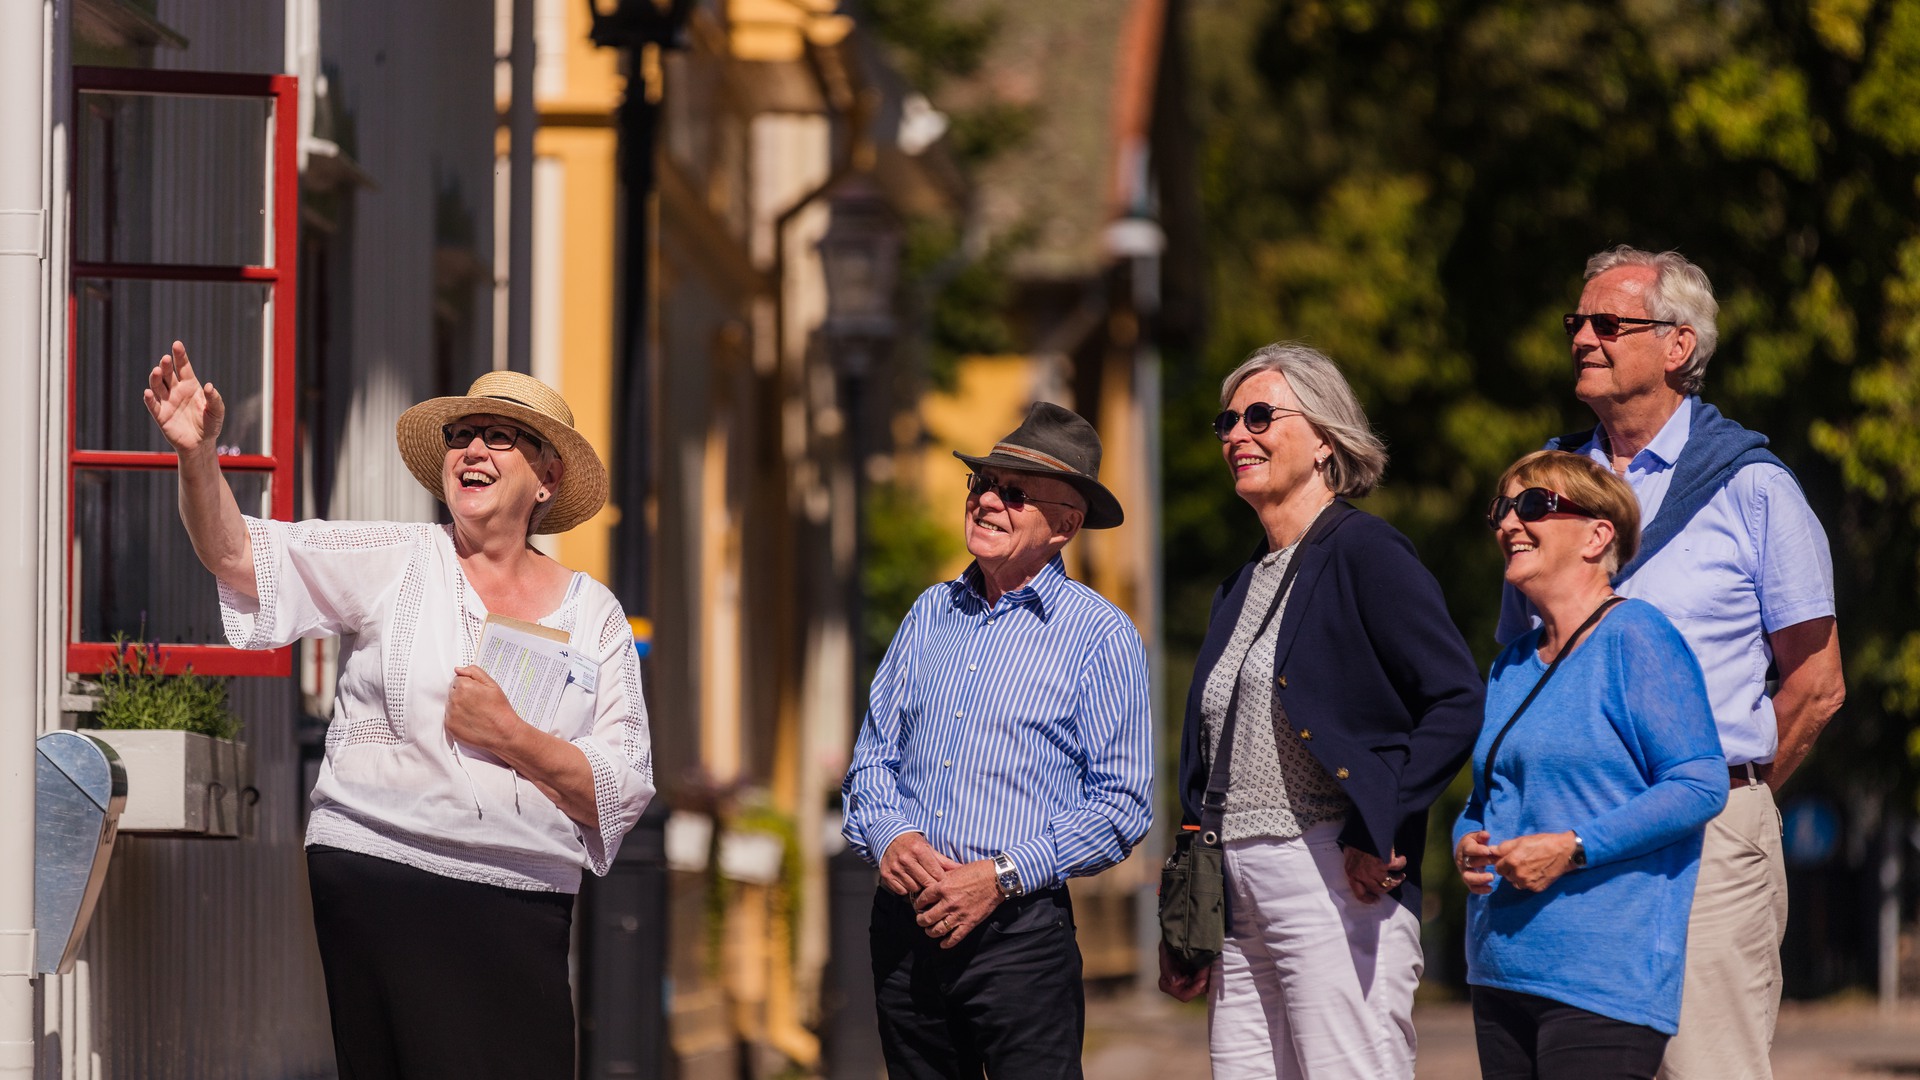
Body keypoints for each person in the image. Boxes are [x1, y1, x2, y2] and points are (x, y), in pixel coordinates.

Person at [144, 341, 654, 1080]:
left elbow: (624, 784)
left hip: (523, 902)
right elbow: (240, 558)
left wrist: (510, 736)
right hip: (381, 872)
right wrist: (198, 456)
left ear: (547, 477)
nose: (472, 449)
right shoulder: (397, 555)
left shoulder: (594, 615)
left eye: (499, 437)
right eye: (460, 435)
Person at [1500, 247, 1846, 1079]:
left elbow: (1816, 681)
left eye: (1609, 323)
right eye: (1577, 323)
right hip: (1569, 840)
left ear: (1679, 346)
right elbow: (1518, 665)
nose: (1584, 336)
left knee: (1706, 1067)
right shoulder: (1546, 490)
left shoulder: (1754, 488)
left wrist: (1728, 794)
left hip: (1706, 839)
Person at [1158, 343, 1484, 1080]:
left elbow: (1456, 696)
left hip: (1331, 878)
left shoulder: (1367, 552)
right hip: (1237, 898)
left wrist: (1383, 822)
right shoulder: (1241, 582)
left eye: (1262, 416)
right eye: (1227, 421)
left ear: (1326, 441)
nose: (1237, 434)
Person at [840, 401, 1153, 1080]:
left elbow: (1122, 806)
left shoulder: (1100, 636)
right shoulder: (929, 614)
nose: (987, 502)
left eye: (1013, 494)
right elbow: (871, 760)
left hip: (1018, 935)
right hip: (907, 928)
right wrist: (890, 835)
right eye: (981, 484)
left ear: (1064, 526)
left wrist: (1001, 876)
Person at [1460, 450, 1727, 1079]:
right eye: (1501, 510)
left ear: (1598, 534)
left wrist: (1574, 846)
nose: (1508, 524)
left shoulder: (1637, 636)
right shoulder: (1511, 662)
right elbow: (1483, 800)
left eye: (1533, 506)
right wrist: (1465, 842)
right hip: (1499, 972)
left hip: (1602, 982)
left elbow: (1699, 781)